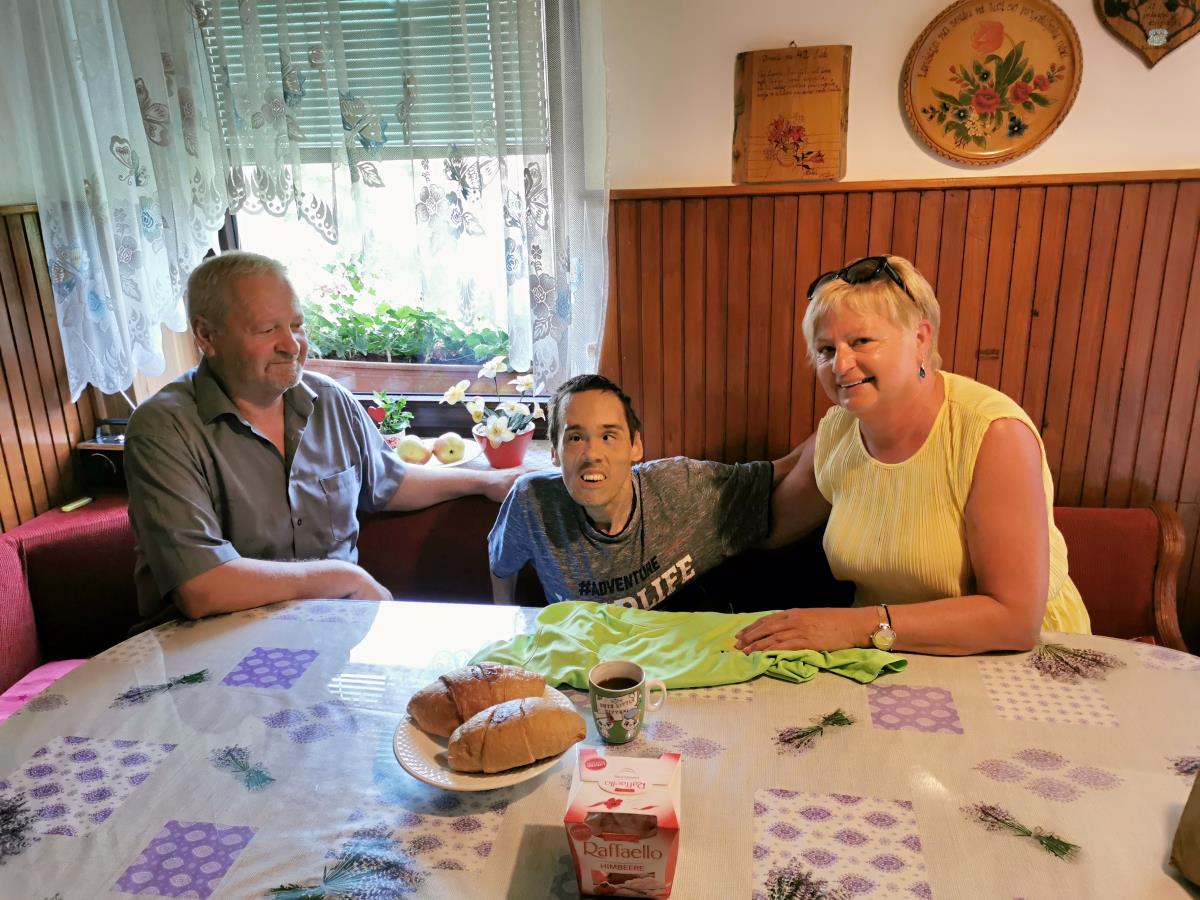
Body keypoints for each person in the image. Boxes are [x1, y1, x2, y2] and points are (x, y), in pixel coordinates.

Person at [125, 251, 520, 628]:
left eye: (296, 325)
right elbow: (200, 588)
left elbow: (388, 481)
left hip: (328, 633)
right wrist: (341, 577)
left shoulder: (329, 400)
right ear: (206, 335)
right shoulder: (163, 429)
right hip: (202, 647)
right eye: (267, 329)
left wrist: (486, 481)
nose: (291, 345)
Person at [735, 255, 1090, 657]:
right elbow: (768, 528)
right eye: (826, 349)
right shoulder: (837, 431)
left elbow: (1014, 621)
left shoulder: (993, 432)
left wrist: (851, 626)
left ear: (920, 339)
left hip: (1023, 658)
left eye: (861, 341)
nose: (841, 364)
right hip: (891, 653)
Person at [488, 374, 782, 611]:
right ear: (554, 452)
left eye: (608, 436)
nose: (592, 454)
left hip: (674, 656)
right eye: (575, 438)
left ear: (635, 446)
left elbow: (774, 475)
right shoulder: (531, 503)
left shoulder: (681, 485)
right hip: (582, 661)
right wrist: (506, 629)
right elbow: (500, 566)